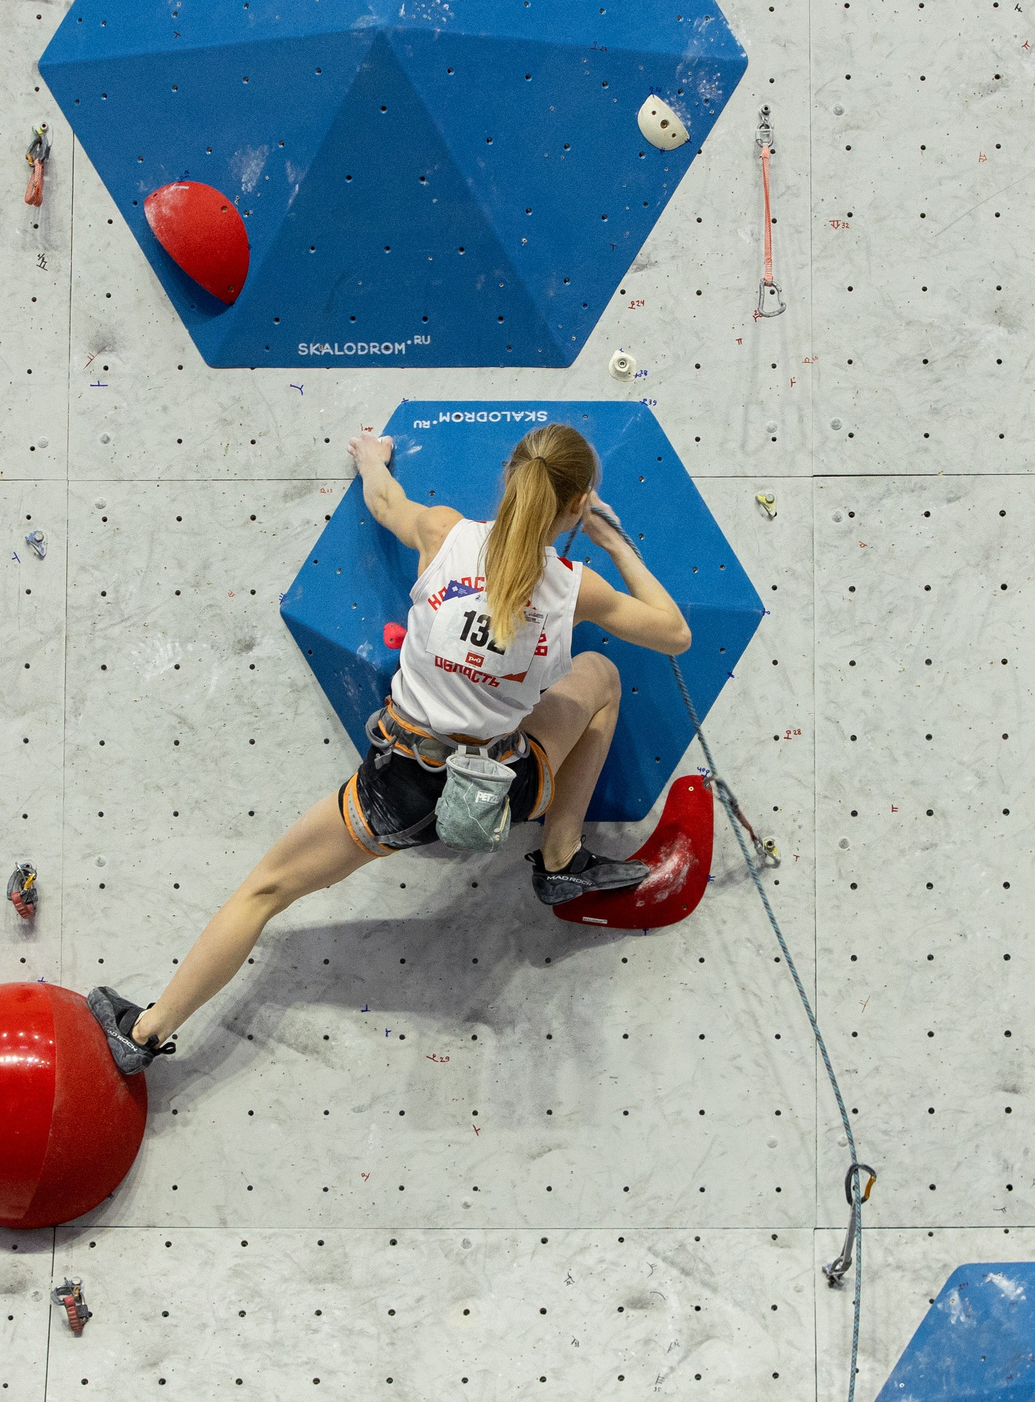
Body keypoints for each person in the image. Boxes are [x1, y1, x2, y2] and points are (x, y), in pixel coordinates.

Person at [90, 421, 694, 1074]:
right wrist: (613, 540)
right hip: (502, 788)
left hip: (397, 787)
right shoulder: (580, 589)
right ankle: (559, 858)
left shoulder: (443, 534)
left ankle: (144, 1034)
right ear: (574, 505)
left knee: (263, 892)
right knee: (600, 678)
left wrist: (373, 461)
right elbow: (674, 633)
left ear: (511, 480)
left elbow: (382, 504)